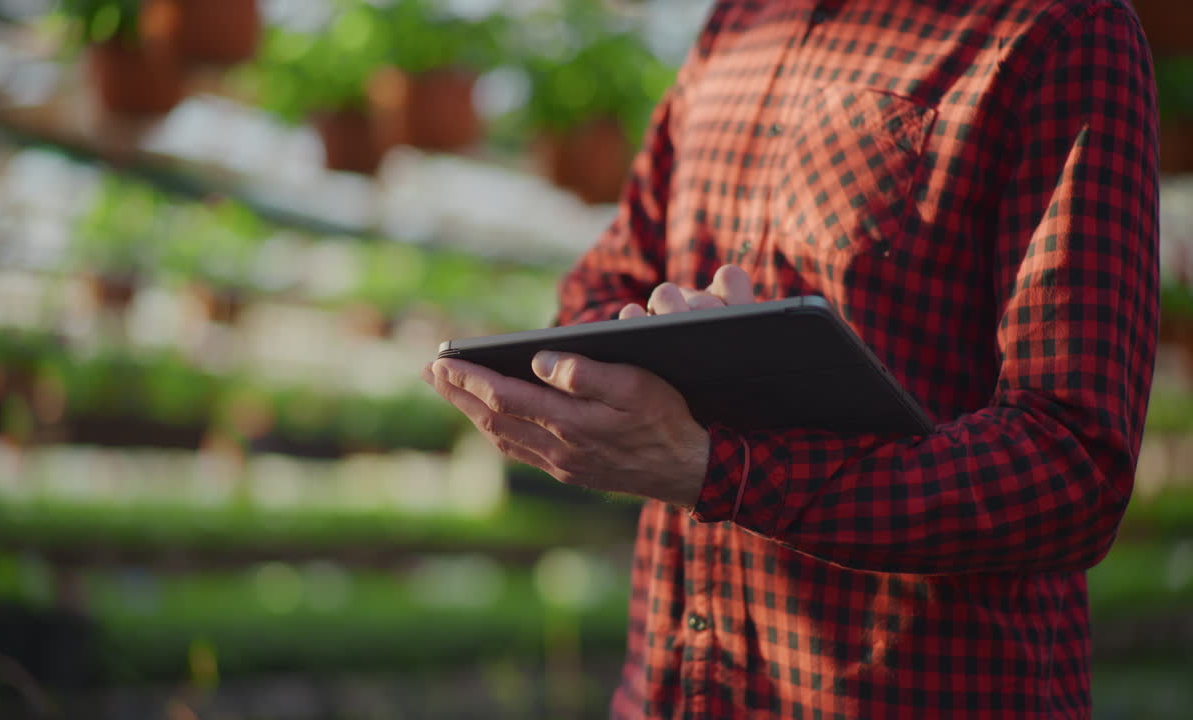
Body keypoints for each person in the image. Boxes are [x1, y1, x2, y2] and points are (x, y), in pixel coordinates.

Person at [424, 0, 1159, 717]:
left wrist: (717, 471)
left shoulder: (1064, 28)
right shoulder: (737, 22)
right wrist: (644, 349)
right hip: (670, 687)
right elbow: (610, 277)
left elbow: (1072, 461)